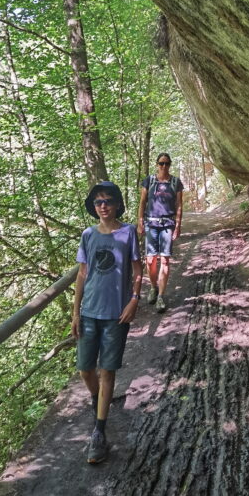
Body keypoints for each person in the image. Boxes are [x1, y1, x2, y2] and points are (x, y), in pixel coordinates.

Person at [72, 181, 142, 464]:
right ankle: (98, 399)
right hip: (89, 312)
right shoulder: (88, 235)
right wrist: (75, 312)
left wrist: (135, 299)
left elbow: (137, 269)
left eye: (108, 201)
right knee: (85, 370)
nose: (103, 206)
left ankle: (99, 432)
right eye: (98, 202)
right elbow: (81, 274)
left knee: (107, 371)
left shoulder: (128, 233)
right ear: (94, 207)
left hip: (116, 315)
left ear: (116, 204)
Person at [137, 153, 183, 313]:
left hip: (167, 224)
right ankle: (153, 287)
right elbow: (143, 202)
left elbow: (179, 205)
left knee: (165, 261)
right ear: (157, 164)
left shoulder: (176, 182)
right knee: (150, 260)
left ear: (170, 165)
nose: (164, 166)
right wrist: (140, 221)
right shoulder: (149, 181)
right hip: (151, 223)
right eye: (161, 163)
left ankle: (161, 296)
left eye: (167, 164)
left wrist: (178, 225)